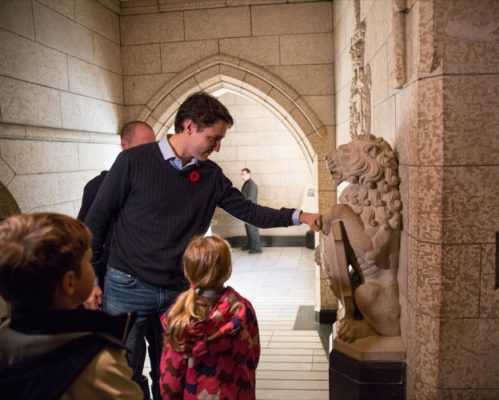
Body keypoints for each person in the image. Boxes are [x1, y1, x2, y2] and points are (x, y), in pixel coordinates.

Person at [84, 91, 321, 400]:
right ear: (190, 126)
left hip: (179, 292)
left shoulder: (210, 175)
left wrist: (299, 216)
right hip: (127, 285)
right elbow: (96, 221)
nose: (217, 146)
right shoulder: (132, 162)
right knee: (122, 374)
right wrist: (90, 279)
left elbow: (249, 211)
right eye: (213, 137)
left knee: (170, 376)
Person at [0, 212, 143, 400]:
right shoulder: (98, 363)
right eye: (88, 261)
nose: (91, 267)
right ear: (70, 282)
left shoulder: (5, 337)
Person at [77, 120, 159, 399]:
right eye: (144, 147)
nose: (152, 155)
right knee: (127, 366)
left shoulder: (159, 183)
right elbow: (86, 236)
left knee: (165, 364)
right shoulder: (99, 186)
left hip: (158, 287)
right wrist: (91, 283)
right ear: (124, 145)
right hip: (118, 291)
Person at [160, 236, 259, 400]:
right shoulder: (242, 309)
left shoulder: (179, 319)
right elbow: (253, 354)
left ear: (188, 271)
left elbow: (171, 377)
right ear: (227, 270)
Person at [241, 168, 262, 253]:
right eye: (241, 174)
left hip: (251, 210)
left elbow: (251, 199)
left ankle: (257, 248)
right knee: (248, 228)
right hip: (247, 210)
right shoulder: (246, 184)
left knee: (252, 229)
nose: (242, 176)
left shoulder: (252, 185)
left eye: (244, 174)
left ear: (249, 174)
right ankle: (250, 244)